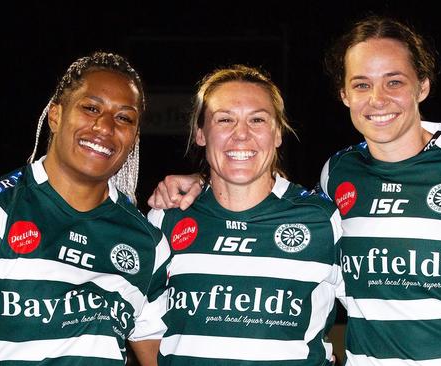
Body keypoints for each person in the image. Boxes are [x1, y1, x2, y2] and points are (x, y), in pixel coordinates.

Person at [148, 15, 441, 366]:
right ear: (344, 94)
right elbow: (260, 200)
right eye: (362, 84)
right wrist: (203, 181)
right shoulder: (339, 173)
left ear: (423, 86)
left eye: (394, 82)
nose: (377, 99)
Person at [0, 52, 169, 365]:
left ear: (134, 137)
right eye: (91, 108)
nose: (105, 126)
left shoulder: (148, 243)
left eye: (124, 118)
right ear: (56, 115)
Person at [129, 65, 343, 365]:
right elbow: (142, 324)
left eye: (257, 119)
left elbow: (376, 309)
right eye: (225, 119)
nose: (241, 134)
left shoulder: (323, 220)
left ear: (278, 133)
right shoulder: (166, 218)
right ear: (200, 133)